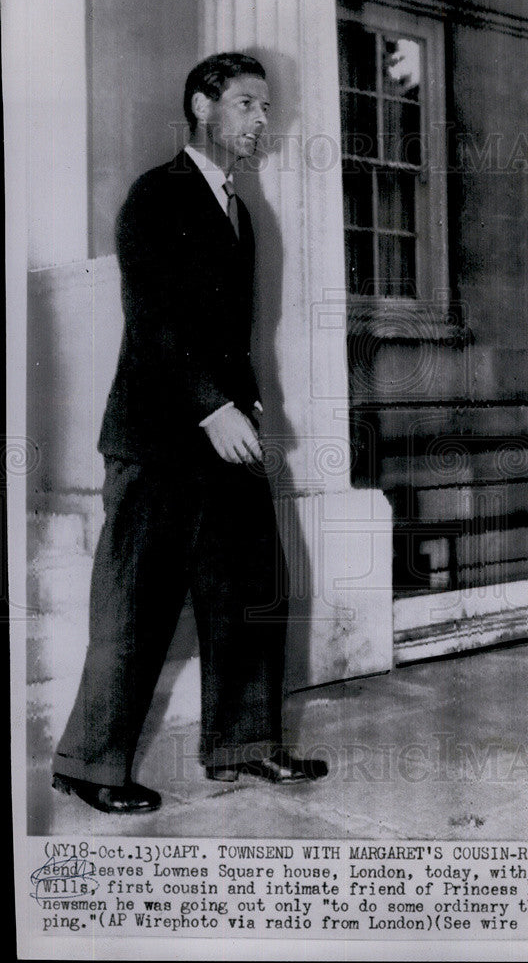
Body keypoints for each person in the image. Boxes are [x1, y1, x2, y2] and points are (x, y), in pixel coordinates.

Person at [51, 53, 327, 814]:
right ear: (201, 106)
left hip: (224, 435)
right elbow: (156, 321)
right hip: (159, 438)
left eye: (266, 108)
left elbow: (232, 334)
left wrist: (250, 406)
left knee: (252, 587)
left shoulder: (241, 209)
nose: (262, 122)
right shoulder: (155, 195)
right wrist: (213, 406)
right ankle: (89, 764)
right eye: (246, 105)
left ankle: (244, 744)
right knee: (134, 605)